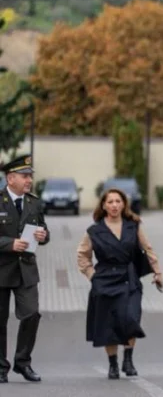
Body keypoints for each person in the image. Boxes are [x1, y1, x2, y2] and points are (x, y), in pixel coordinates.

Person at [77, 188, 163, 379]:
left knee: (131, 318)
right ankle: (113, 364)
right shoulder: (94, 231)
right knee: (109, 324)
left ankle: (128, 359)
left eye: (118, 201)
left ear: (124, 204)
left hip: (129, 278)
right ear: (103, 206)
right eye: (110, 202)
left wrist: (157, 272)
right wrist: (93, 276)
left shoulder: (133, 226)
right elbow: (82, 255)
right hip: (105, 281)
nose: (114, 205)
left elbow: (148, 248)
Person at [0, 154, 49, 383]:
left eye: (30, 176)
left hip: (26, 270)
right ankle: (1, 368)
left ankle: (22, 362)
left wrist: (43, 235)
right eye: (25, 176)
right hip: (2, 269)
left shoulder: (34, 202)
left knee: (32, 314)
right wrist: (9, 244)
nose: (29, 180)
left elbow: (44, 230)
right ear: (11, 178)